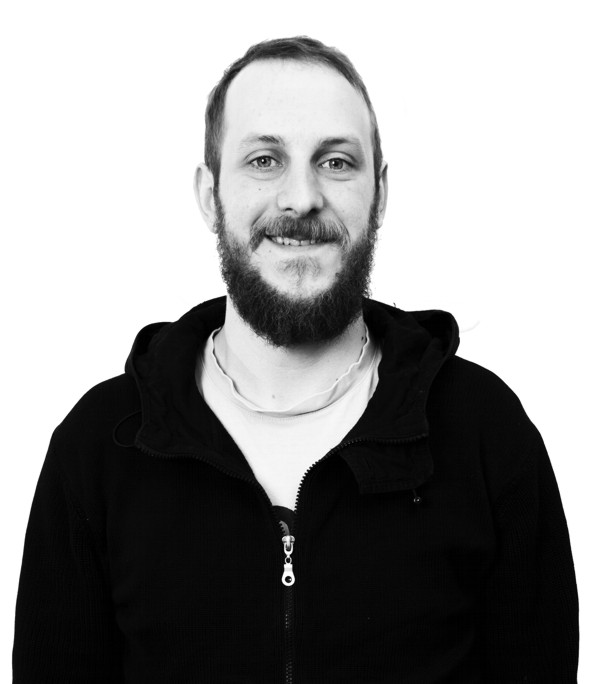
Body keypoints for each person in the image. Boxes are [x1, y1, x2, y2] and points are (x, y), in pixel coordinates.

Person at [13, 36, 579, 683]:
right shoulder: (99, 447)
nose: (301, 197)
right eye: (264, 160)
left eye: (336, 162)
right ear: (209, 194)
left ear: (380, 193)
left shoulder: (486, 434)